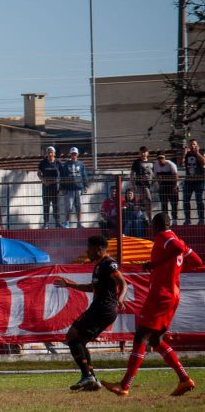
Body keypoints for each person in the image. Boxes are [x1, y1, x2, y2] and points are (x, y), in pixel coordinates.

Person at [102, 213, 203, 397]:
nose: (151, 228)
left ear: (158, 225)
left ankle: (124, 385)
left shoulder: (166, 238)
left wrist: (158, 264)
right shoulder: (172, 239)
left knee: (141, 335)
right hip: (171, 294)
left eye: (153, 224)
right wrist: (165, 268)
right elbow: (197, 261)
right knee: (156, 340)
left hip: (161, 295)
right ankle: (184, 379)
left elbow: (177, 247)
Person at [53, 235, 127, 391]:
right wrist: (69, 284)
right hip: (101, 308)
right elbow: (91, 287)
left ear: (99, 249)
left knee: (72, 336)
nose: (87, 252)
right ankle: (91, 379)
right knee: (80, 341)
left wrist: (121, 298)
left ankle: (87, 376)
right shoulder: (99, 266)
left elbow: (123, 282)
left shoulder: (109, 264)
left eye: (90, 248)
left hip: (103, 308)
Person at [60, 147, 88, 228]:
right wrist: (62, 187)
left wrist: (86, 186)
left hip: (79, 188)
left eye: (75, 154)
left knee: (79, 206)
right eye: (72, 154)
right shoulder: (66, 164)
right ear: (70, 154)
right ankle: (67, 223)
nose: (74, 155)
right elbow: (63, 176)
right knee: (68, 207)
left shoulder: (81, 164)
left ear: (77, 154)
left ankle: (79, 223)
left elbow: (84, 175)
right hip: (69, 189)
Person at [37, 146, 62, 229]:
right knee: (46, 205)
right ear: (46, 153)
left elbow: (62, 174)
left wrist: (58, 182)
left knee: (56, 206)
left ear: (54, 154)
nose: (50, 154)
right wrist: (44, 181)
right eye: (48, 152)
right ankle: (46, 223)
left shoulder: (58, 162)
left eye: (51, 152)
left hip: (56, 188)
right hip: (46, 187)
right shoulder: (43, 162)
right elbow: (39, 173)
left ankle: (58, 223)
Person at [182, 138, 205, 225]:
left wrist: (197, 153)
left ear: (197, 145)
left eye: (194, 144)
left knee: (199, 200)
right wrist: (184, 154)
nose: (192, 146)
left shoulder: (200, 153)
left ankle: (201, 219)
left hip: (199, 181)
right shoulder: (187, 154)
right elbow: (181, 163)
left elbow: (203, 162)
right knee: (185, 201)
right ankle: (187, 219)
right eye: (191, 144)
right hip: (188, 181)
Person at [154, 153, 179, 225]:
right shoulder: (156, 165)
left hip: (172, 186)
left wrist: (175, 186)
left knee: (174, 204)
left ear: (165, 158)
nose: (160, 160)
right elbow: (155, 175)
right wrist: (159, 184)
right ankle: (165, 220)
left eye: (162, 158)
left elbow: (176, 176)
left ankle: (174, 219)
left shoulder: (171, 164)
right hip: (163, 187)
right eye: (159, 158)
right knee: (164, 204)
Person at [130, 146, 154, 219]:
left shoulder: (151, 162)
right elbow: (132, 174)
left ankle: (145, 216)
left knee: (146, 201)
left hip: (150, 184)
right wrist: (132, 184)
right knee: (147, 199)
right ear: (139, 153)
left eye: (144, 152)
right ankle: (149, 218)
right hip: (140, 184)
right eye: (141, 152)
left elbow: (154, 172)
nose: (143, 154)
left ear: (147, 153)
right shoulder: (136, 162)